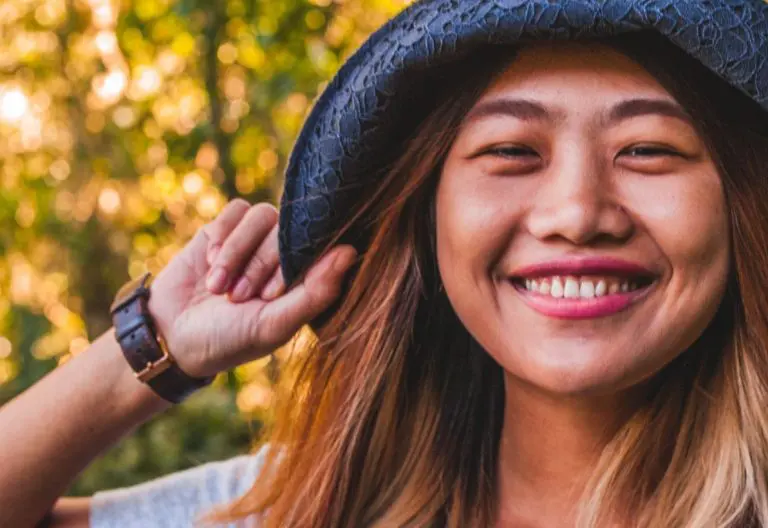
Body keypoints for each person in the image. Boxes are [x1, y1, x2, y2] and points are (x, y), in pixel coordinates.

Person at [3, 0, 768, 526]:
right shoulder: (305, 507)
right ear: (427, 214)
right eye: (509, 151)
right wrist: (154, 344)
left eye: (648, 151)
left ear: (740, 204)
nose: (574, 213)